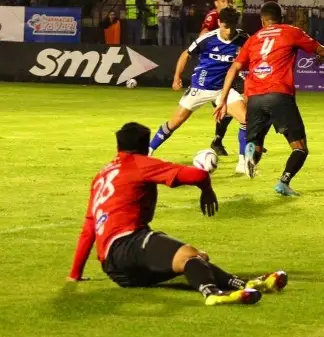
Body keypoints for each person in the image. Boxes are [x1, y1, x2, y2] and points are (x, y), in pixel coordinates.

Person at [67, 122, 287, 306]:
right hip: (128, 244)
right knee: (190, 255)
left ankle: (245, 284)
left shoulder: (102, 175)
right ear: (144, 146)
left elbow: (88, 229)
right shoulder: (140, 164)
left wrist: (75, 273)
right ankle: (212, 294)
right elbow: (197, 175)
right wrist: (207, 191)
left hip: (116, 270)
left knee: (196, 260)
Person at [214, 1, 324, 196]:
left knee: (257, 144)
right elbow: (322, 50)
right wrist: (322, 56)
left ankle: (250, 151)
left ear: (262, 20)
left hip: (254, 98)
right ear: (281, 18)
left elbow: (234, 67)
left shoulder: (253, 38)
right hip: (279, 94)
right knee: (300, 148)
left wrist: (223, 100)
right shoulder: (290, 31)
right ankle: (283, 182)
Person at [149, 8, 250, 174]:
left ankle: (242, 163)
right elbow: (186, 54)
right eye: (226, 27)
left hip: (223, 89)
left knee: (246, 119)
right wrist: (177, 77)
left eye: (232, 27)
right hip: (200, 87)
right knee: (175, 123)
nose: (229, 31)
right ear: (219, 23)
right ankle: (149, 150)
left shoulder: (243, 39)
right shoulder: (208, 39)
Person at [202, 0, 235, 156]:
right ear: (216, 3)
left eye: (229, 0)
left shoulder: (231, 15)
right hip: (214, 71)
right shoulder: (213, 16)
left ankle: (219, 140)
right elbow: (203, 35)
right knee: (226, 108)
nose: (226, 4)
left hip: (229, 68)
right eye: (223, 1)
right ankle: (218, 140)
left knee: (233, 108)